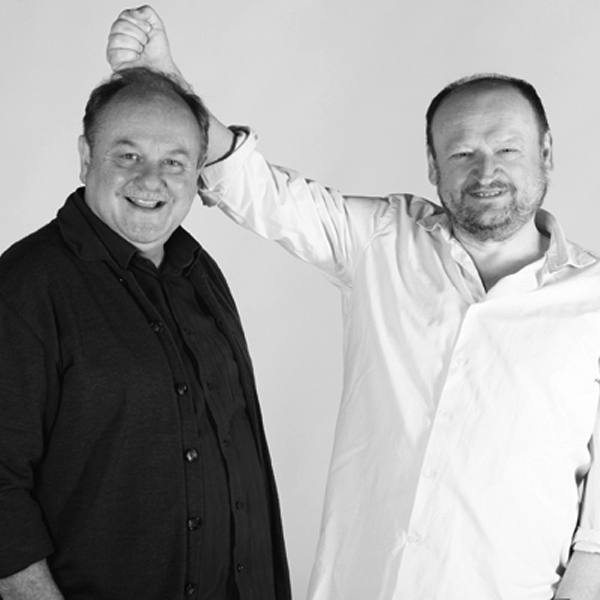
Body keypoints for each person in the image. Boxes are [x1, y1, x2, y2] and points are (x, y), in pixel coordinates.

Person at [107, 6, 600, 600]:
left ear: (546, 152)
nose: (485, 171)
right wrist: (164, 78)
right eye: (462, 153)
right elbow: (260, 190)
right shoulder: (381, 240)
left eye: (508, 149)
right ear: (433, 165)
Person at [0, 67, 291, 600]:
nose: (152, 180)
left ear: (197, 173)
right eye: (128, 155)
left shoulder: (198, 271)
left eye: (174, 162)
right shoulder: (25, 286)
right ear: (87, 157)